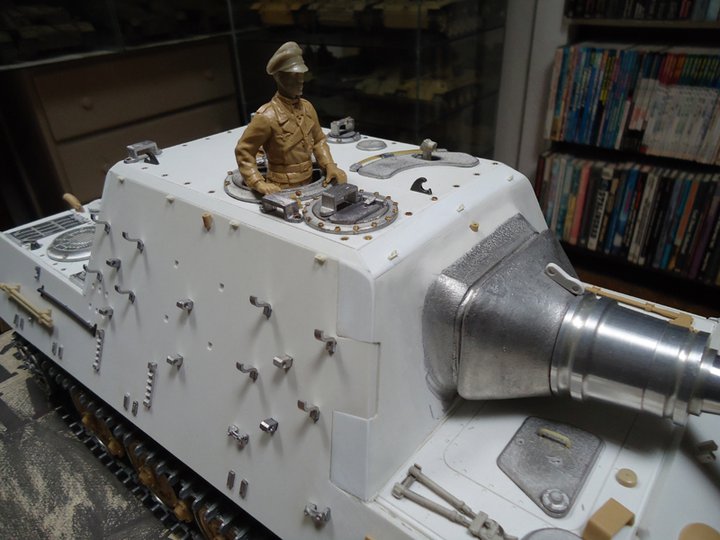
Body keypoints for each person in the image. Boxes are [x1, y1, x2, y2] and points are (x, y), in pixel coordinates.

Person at [234, 41, 347, 195]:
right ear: (279, 77)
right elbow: (244, 150)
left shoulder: (307, 108)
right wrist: (258, 182)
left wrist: (329, 165)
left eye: (302, 75)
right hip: (280, 187)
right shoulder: (266, 116)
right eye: (294, 76)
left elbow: (319, 140)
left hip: (310, 182)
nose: (300, 80)